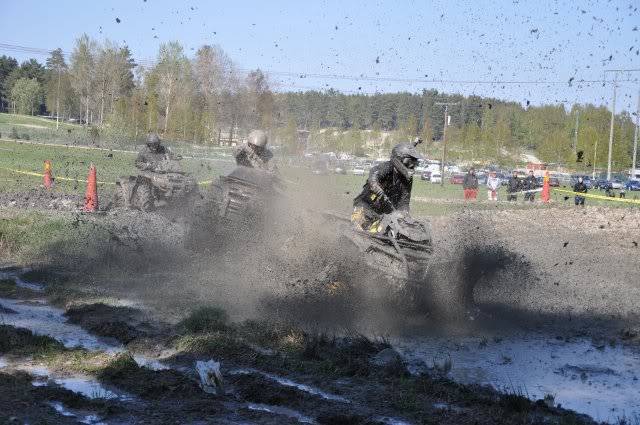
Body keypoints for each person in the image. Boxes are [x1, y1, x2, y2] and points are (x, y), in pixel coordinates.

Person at [352, 139, 423, 231]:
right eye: (409, 162)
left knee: (393, 234)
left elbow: (404, 202)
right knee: (359, 231)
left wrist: (404, 214)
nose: (412, 166)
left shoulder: (407, 179)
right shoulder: (387, 167)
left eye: (414, 163)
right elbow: (373, 175)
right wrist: (377, 188)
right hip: (365, 207)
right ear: (399, 159)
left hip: (384, 215)